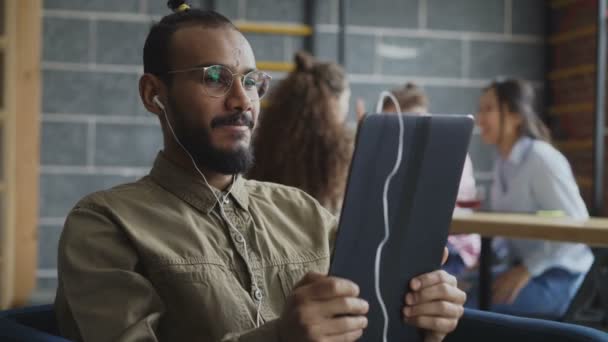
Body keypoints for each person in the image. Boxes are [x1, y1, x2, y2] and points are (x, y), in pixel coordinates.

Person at [53, 2, 466, 341]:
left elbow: (375, 327)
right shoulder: (105, 223)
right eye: (214, 78)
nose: (242, 101)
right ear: (153, 95)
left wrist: (423, 315)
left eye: (252, 81)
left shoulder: (305, 212)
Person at [466, 78, 593, 318]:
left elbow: (577, 223)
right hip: (529, 269)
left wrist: (527, 269)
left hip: (562, 275)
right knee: (460, 293)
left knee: (470, 310)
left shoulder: (540, 158)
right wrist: (477, 268)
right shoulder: (502, 162)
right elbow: (511, 228)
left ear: (516, 116)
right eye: (479, 109)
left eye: (488, 109)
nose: (479, 118)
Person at [380, 83, 481, 276]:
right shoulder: (403, 155)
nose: (391, 134)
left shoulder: (446, 150)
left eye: (395, 125)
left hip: (455, 246)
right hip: (427, 242)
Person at [248, 51, 352, 214]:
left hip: (270, 221)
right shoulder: (339, 148)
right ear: (334, 101)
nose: (347, 108)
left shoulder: (268, 135)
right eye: (346, 100)